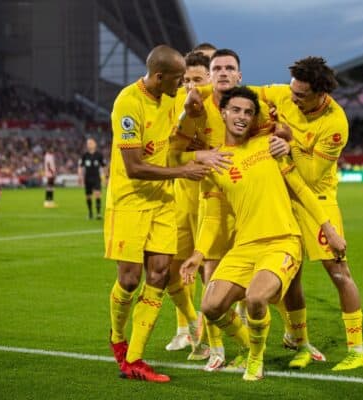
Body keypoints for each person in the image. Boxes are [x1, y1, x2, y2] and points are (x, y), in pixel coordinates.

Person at [180, 87, 346, 381]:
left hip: (282, 241)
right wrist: (198, 254)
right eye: (236, 111)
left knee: (257, 300)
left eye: (248, 112)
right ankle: (249, 344)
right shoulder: (216, 161)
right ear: (223, 113)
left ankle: (256, 359)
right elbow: (215, 215)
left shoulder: (269, 146)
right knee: (210, 306)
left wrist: (328, 229)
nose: (242, 117)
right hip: (244, 246)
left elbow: (301, 190)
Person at [105, 44, 213, 383]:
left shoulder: (174, 94)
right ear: (159, 76)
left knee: (160, 273)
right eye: (178, 79)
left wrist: (197, 101)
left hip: (163, 202)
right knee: (129, 279)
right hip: (130, 201)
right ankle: (118, 339)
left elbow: (204, 92)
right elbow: (135, 167)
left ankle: (135, 358)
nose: (183, 85)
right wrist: (184, 171)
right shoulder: (128, 103)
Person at [254, 57, 363, 371]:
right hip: (282, 200)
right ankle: (299, 341)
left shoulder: (335, 122)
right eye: (292, 91)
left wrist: (290, 143)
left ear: (320, 94)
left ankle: (357, 350)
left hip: (317, 199)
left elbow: (313, 175)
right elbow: (246, 95)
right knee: (290, 277)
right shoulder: (284, 95)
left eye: (300, 95)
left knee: (338, 273)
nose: (292, 98)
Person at [171, 48, 279, 369]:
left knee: (255, 280)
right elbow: (172, 153)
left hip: (249, 202)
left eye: (228, 68)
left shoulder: (249, 106)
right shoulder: (195, 107)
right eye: (216, 68)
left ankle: (280, 341)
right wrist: (201, 156)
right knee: (212, 273)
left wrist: (284, 137)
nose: (222, 73)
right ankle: (219, 349)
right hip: (212, 196)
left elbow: (279, 129)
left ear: (238, 75)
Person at [165, 49, 218, 353]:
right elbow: (170, 150)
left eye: (197, 79)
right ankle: (185, 328)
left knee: (212, 269)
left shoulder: (223, 106)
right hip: (182, 196)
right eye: (186, 79)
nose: (190, 85)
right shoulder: (175, 102)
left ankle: (220, 330)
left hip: (214, 199)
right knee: (178, 267)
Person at [78, 138, 106, 219]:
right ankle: (90, 213)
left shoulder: (99, 155)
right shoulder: (84, 155)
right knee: (88, 196)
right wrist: (80, 176)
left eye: (90, 143)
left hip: (96, 177)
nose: (89, 144)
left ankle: (98, 213)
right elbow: (80, 166)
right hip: (87, 178)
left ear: (95, 144)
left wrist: (106, 177)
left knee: (97, 194)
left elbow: (104, 166)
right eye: (88, 143)